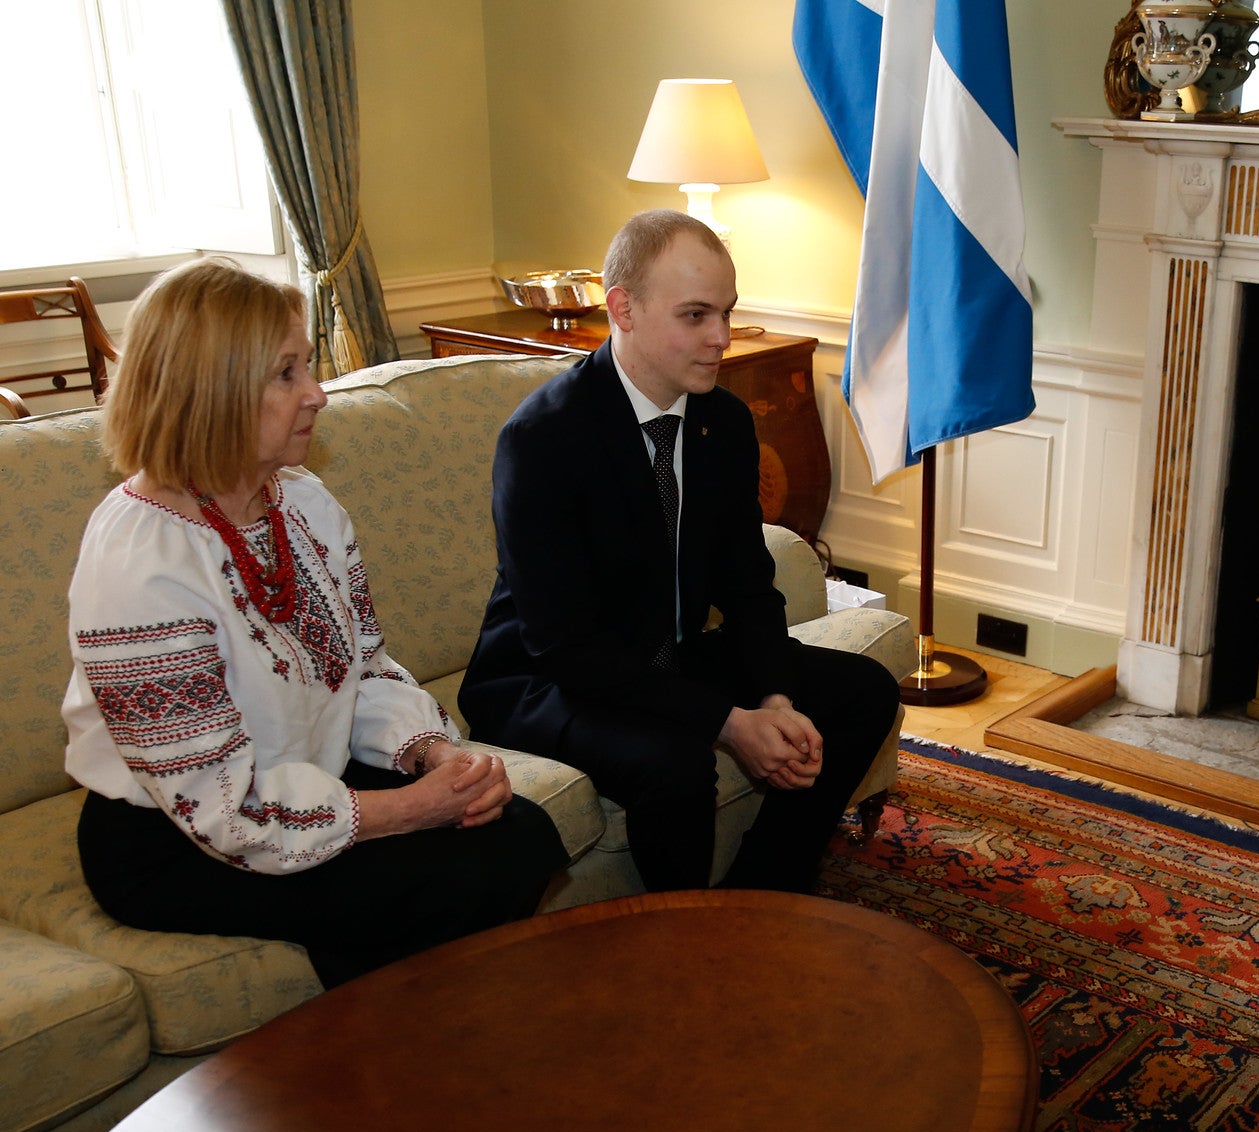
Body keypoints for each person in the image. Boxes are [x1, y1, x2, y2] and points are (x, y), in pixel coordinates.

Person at [66, 258, 569, 988]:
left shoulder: (302, 503)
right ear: (212, 389)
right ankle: (385, 1068)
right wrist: (409, 811)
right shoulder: (141, 561)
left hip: (304, 775)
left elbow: (363, 665)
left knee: (520, 830)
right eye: (286, 373)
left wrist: (432, 756)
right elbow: (220, 806)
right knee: (443, 880)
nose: (318, 394)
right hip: (176, 833)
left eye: (309, 366)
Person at [460, 210, 898, 894]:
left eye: (725, 312)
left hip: (669, 651)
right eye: (695, 315)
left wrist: (774, 696)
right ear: (623, 309)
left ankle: (762, 890)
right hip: (544, 678)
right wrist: (730, 721)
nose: (720, 337)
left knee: (862, 689)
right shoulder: (545, 437)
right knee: (675, 761)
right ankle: (682, 946)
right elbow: (564, 646)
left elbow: (749, 585)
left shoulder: (721, 422)